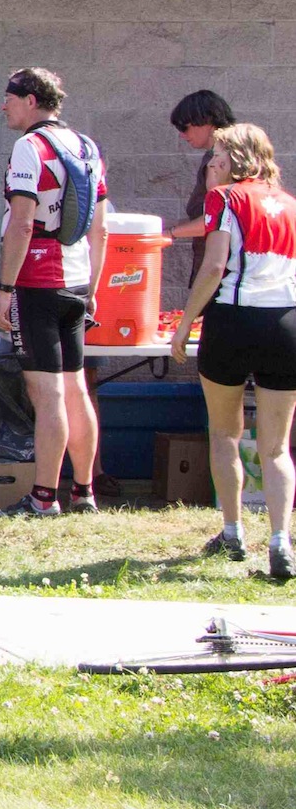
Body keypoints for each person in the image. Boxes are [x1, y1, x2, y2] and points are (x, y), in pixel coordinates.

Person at [172, 123, 296, 577]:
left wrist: (185, 323)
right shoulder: (290, 203)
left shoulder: (224, 198)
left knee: (224, 433)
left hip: (233, 321)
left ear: (234, 158)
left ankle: (233, 532)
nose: (212, 160)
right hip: (285, 324)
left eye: (218, 154)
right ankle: (281, 541)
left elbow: (214, 267)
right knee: (276, 447)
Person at [0, 67, 110, 519]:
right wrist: (93, 288)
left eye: (9, 97)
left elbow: (22, 223)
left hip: (37, 281)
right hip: (77, 280)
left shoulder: (30, 146)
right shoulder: (86, 145)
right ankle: (84, 491)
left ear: (31, 100)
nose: (3, 105)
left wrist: (5, 289)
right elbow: (101, 228)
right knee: (76, 388)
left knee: (48, 395)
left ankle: (43, 498)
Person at [168, 91, 238, 272]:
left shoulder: (222, 160)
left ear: (206, 120)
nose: (182, 135)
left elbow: (218, 217)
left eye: (184, 127)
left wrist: (170, 233)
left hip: (221, 263)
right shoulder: (229, 154)